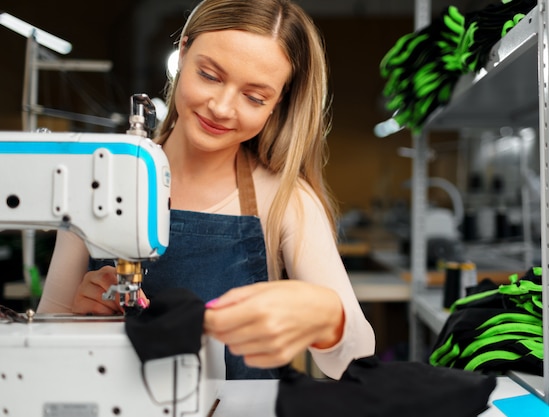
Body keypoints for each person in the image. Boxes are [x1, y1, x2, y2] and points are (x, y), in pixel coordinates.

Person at [37, 0, 376, 380]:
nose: (221, 107)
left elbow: (355, 359)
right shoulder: (99, 179)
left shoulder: (284, 200)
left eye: (254, 97)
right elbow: (45, 340)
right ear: (182, 52)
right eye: (210, 75)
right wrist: (76, 317)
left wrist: (326, 317)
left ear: (277, 103)